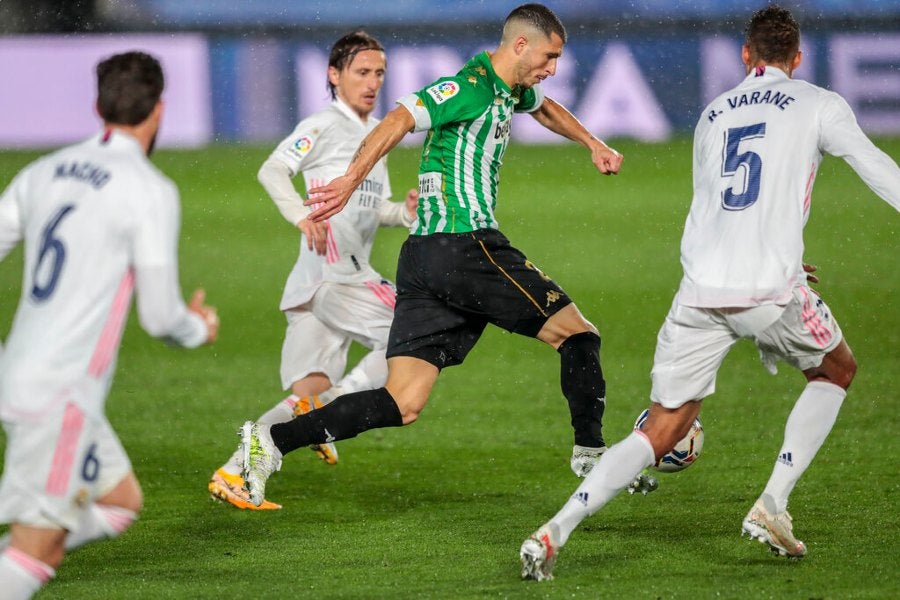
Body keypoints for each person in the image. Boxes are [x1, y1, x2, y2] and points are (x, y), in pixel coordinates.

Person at [519, 4, 900, 581]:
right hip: (768, 288)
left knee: (661, 428)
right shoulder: (819, 102)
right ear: (797, 58)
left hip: (700, 290)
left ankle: (553, 532)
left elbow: (714, 206)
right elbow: (874, 165)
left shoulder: (715, 112)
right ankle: (771, 504)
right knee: (835, 371)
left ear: (745, 56)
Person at [238, 2, 652, 509]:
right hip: (467, 244)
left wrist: (591, 141)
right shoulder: (469, 86)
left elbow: (543, 106)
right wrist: (350, 178)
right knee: (579, 335)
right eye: (549, 56)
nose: (553, 69)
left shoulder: (512, 90)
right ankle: (591, 452)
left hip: (422, 260)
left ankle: (271, 443)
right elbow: (399, 117)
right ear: (520, 44)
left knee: (402, 402)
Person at [0, 51, 218, 598]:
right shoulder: (147, 189)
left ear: (97, 105)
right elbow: (160, 316)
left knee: (122, 501)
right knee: (37, 551)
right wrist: (197, 328)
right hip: (62, 395)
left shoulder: (42, 171)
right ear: (160, 110)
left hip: (23, 373)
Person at [208, 30, 417, 511]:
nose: (372, 82)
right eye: (362, 72)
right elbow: (271, 170)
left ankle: (233, 470)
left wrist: (401, 213)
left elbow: (363, 208)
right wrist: (301, 216)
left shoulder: (377, 130)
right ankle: (332, 407)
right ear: (333, 75)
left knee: (306, 393)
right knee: (413, 336)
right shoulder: (324, 124)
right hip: (336, 276)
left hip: (317, 282)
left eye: (379, 73)